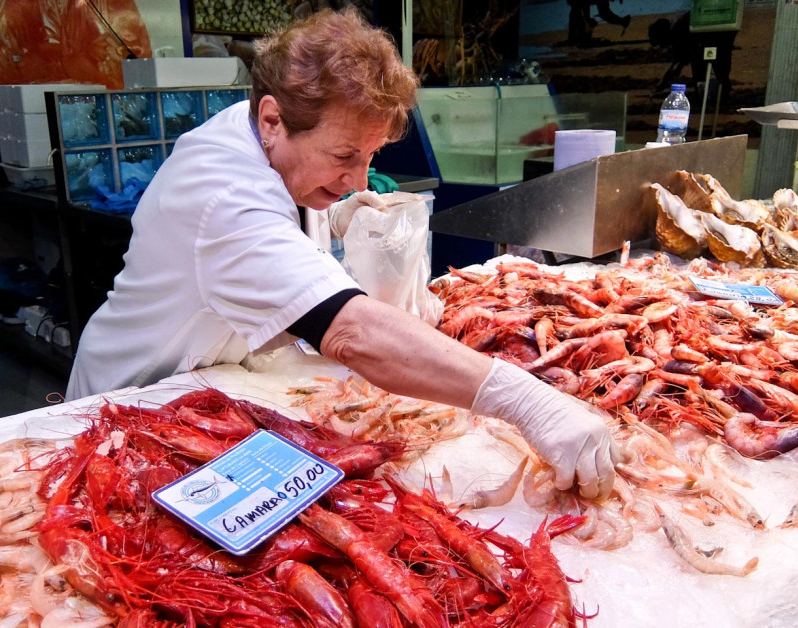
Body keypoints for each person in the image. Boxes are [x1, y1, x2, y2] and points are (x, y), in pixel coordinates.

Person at [66, 9, 618, 500]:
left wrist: (326, 221)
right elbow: (351, 333)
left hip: (206, 384)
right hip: (128, 398)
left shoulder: (268, 145)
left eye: (371, 154)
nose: (358, 179)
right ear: (272, 119)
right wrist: (524, 399)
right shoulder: (224, 196)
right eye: (344, 156)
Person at [648, 12, 738, 103]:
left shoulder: (678, 30)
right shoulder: (678, 23)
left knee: (701, 62)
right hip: (726, 25)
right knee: (717, 59)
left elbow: (680, 60)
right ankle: (721, 90)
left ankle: (710, 94)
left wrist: (664, 81)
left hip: (714, 32)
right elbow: (680, 60)